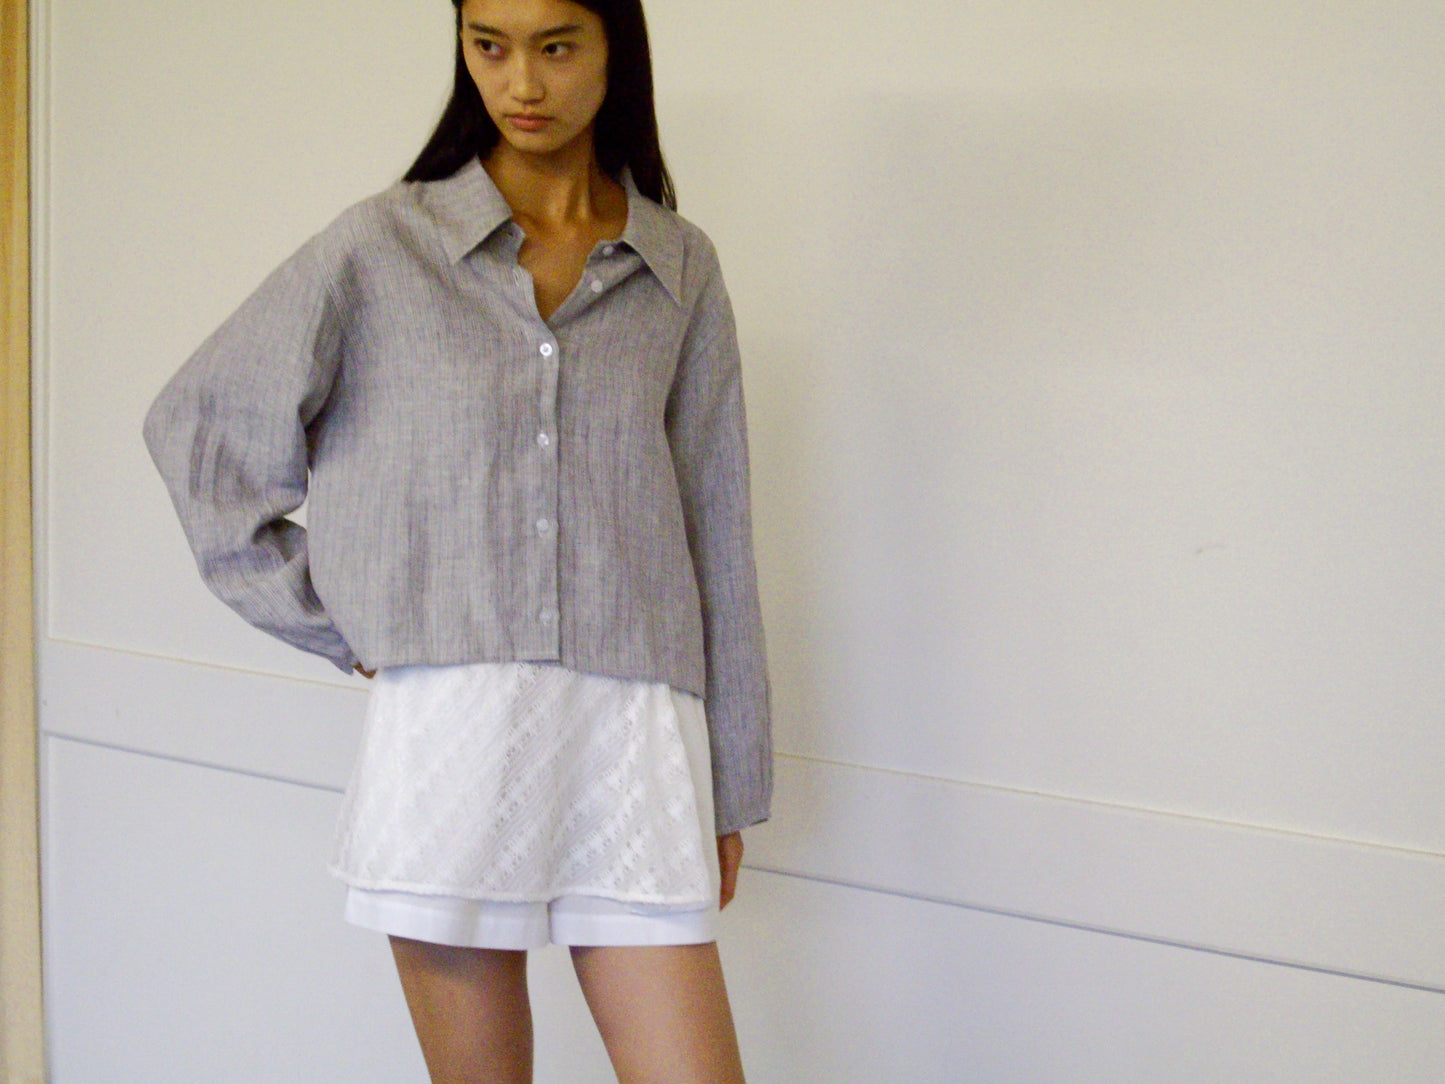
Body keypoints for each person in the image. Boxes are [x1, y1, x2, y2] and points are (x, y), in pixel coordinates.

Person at [142, 0, 771, 1079]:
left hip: (635, 736)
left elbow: (716, 523)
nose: (519, 82)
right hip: (450, 734)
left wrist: (731, 778)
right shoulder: (382, 247)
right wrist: (346, 620)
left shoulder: (678, 268)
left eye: (555, 46)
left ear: (615, 51)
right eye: (489, 45)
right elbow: (199, 432)